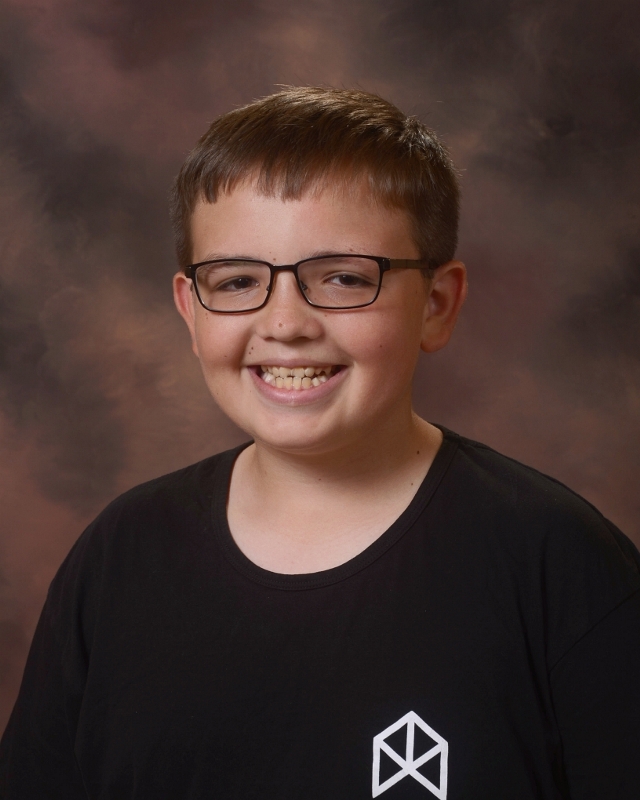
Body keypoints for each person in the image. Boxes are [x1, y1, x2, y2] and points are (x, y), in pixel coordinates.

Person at [1, 87, 639, 800]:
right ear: (190, 310)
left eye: (342, 277)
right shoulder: (118, 559)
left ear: (436, 305)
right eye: (237, 280)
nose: (285, 324)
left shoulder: (561, 566)